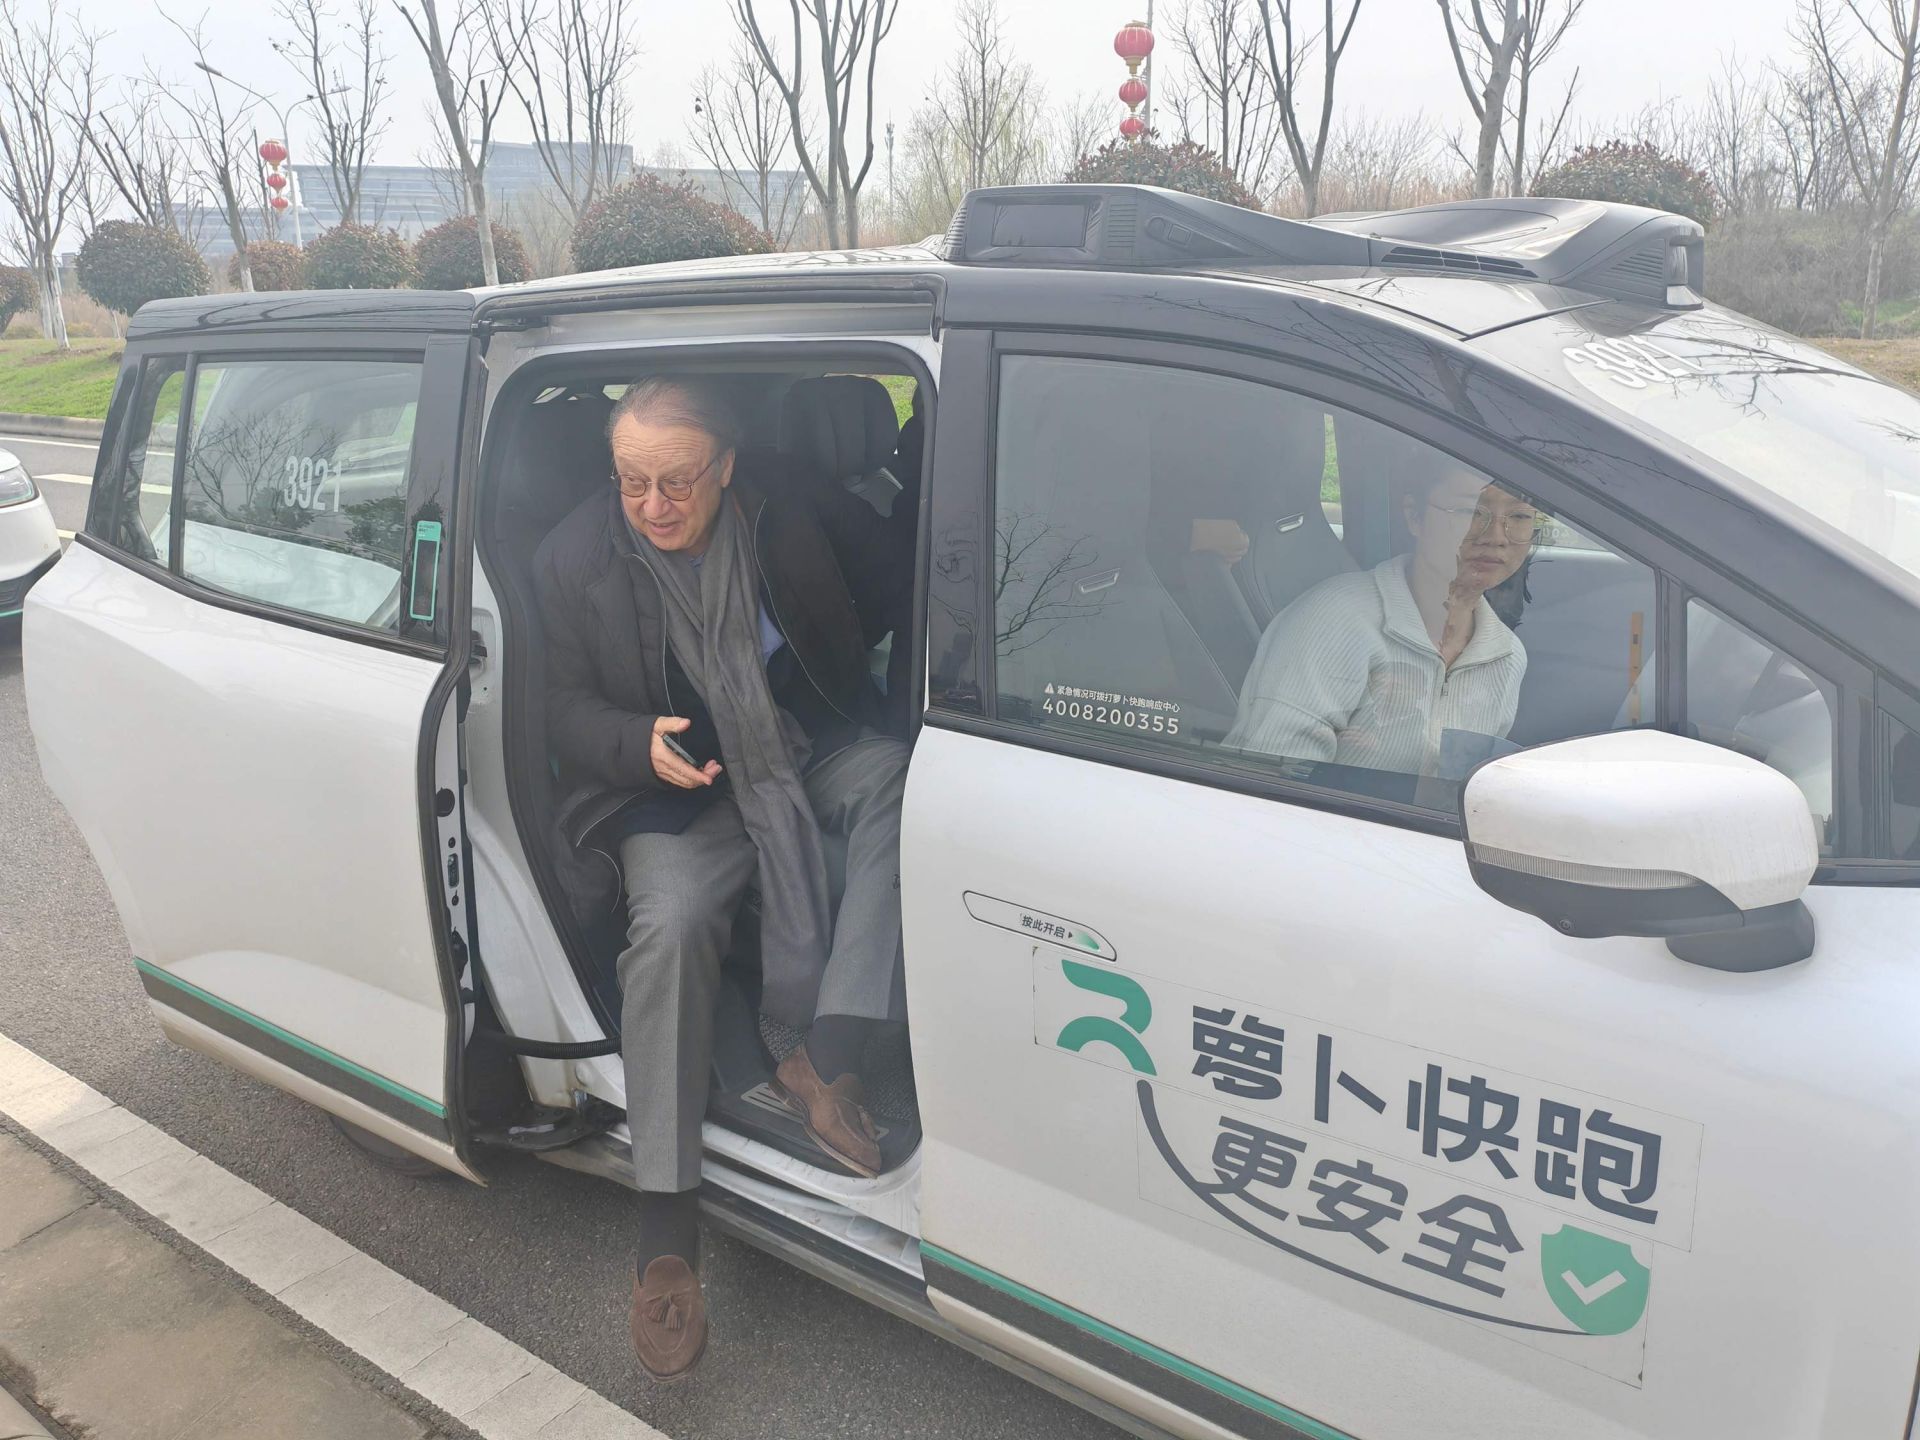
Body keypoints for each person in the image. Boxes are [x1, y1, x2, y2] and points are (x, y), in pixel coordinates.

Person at [532, 375, 912, 1381]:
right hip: (674, 790)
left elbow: (901, 582)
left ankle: (828, 1056)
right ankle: (666, 1233)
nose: (654, 505)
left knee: (903, 785)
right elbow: (555, 704)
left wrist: (856, 670)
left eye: (678, 481)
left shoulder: (789, 507)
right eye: (632, 482)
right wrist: (632, 741)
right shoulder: (573, 559)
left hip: (797, 746)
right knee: (670, 922)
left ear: (728, 468)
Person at [1224, 462, 1538, 777]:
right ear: (1414, 516)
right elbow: (1266, 781)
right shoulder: (1333, 621)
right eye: (1470, 511)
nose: (1496, 537)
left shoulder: (1507, 657)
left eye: (1520, 516)